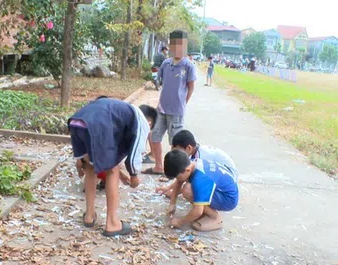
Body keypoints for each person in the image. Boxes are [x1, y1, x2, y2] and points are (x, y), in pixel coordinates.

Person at [69, 96, 157, 237]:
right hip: (97, 125)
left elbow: (107, 156)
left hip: (77, 121)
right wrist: (134, 176)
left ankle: (89, 216)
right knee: (112, 172)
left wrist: (80, 159)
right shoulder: (142, 122)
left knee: (91, 168)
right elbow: (135, 153)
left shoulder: (121, 114)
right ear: (150, 122)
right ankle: (112, 223)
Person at [143, 30, 196, 175]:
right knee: (154, 136)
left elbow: (191, 88)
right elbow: (159, 80)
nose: (177, 49)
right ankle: (159, 166)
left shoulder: (189, 66)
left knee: (176, 144)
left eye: (181, 45)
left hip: (176, 111)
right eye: (174, 44)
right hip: (162, 109)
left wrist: (183, 103)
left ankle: (178, 172)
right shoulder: (166, 64)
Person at [163, 150, 239, 231]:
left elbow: (198, 211)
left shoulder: (200, 180)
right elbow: (179, 181)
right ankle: (207, 210)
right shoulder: (192, 163)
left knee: (187, 190)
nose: (177, 180)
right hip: (222, 189)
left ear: (187, 170)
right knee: (189, 187)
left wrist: (179, 222)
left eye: (177, 177)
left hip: (227, 199)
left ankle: (215, 218)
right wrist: (172, 203)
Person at [156, 130, 238, 197]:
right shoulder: (194, 152)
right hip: (222, 176)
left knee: (189, 187)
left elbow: (187, 179)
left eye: (178, 150)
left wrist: (174, 193)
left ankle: (209, 212)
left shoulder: (200, 158)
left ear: (188, 148)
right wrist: (168, 188)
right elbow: (181, 178)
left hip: (228, 182)